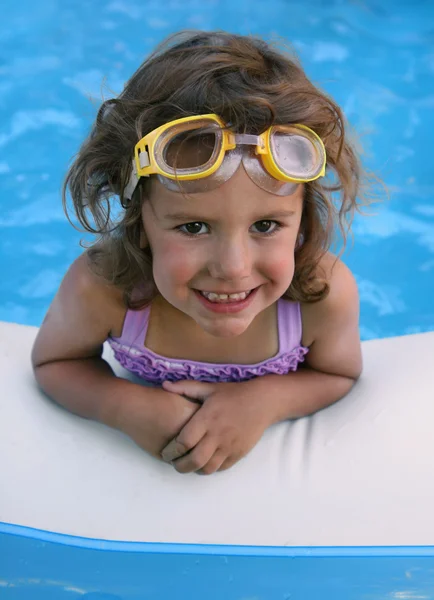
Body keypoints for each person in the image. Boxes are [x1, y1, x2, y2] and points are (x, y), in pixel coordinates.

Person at [31, 30, 378, 475]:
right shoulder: (103, 289)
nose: (233, 267)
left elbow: (339, 374)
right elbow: (54, 361)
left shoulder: (320, 297)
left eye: (266, 225)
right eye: (193, 227)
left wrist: (264, 403)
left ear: (303, 223)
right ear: (141, 226)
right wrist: (125, 407)